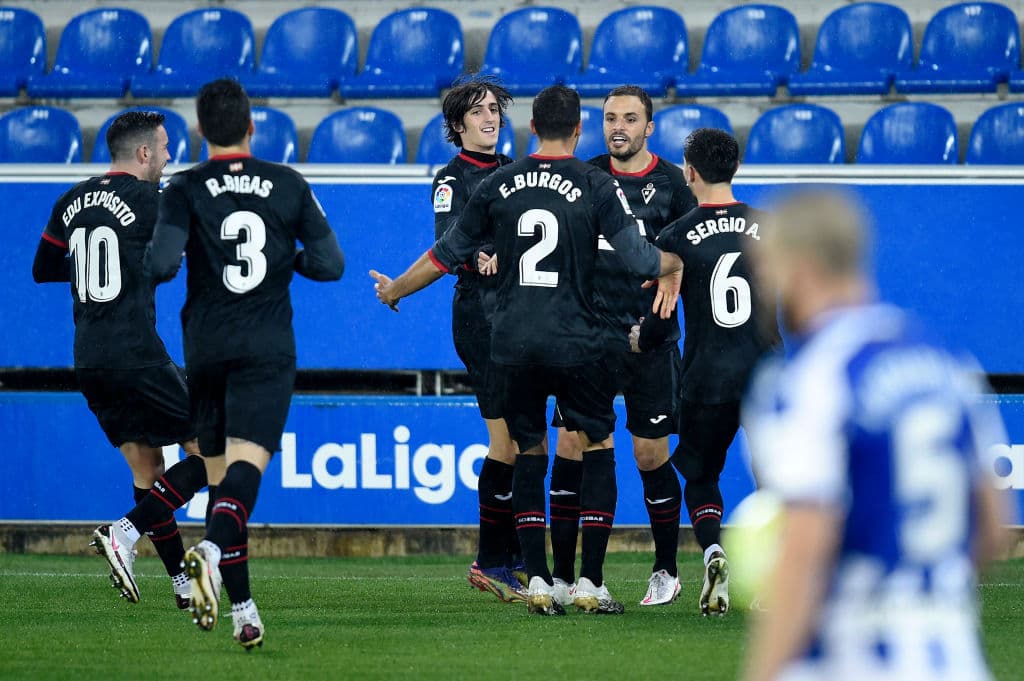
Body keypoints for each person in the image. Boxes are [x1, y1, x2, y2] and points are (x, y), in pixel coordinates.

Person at [371, 85, 683, 616]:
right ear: (580, 129)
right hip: (576, 340)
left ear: (532, 128)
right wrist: (674, 264)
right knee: (598, 445)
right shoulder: (594, 181)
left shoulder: (499, 182)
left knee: (529, 453)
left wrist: (396, 288)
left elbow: (445, 254)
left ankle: (538, 581)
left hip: (512, 341)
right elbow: (636, 258)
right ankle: (589, 584)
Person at [740, 188, 1013, 681]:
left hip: (854, 660)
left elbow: (805, 546)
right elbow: (994, 523)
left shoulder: (808, 378)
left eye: (771, 269)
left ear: (800, 267)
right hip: (955, 662)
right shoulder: (946, 363)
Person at [146, 79, 345, 649]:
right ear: (252, 126)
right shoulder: (287, 183)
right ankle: (208, 550)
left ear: (201, 131)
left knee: (217, 485)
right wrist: (289, 257)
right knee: (244, 477)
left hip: (204, 348)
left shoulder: (183, 187)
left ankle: (244, 612)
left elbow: (160, 265)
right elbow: (331, 264)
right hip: (264, 347)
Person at [31, 110, 209, 609]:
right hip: (136, 352)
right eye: (166, 147)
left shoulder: (71, 200)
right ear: (146, 153)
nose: (170, 156)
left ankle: (182, 585)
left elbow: (43, 268)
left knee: (147, 469)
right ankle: (125, 532)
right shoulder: (151, 200)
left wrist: (99, 264)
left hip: (89, 357)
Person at [547, 85, 696, 608]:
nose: (619, 127)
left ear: (648, 128)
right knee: (571, 445)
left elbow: (693, 254)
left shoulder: (674, 185)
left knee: (649, 453)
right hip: (591, 339)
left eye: (630, 118)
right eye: (611, 117)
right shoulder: (585, 178)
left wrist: (672, 280)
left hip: (650, 340)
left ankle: (666, 569)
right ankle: (569, 577)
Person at [654, 128, 781, 616]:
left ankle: (714, 552)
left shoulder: (676, 236)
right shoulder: (772, 228)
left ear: (689, 172)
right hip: (767, 372)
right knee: (775, 481)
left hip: (707, 375)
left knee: (703, 477)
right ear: (736, 168)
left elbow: (660, 307)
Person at [430, 75, 525, 603]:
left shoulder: (515, 171)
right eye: (479, 111)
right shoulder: (451, 179)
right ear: (457, 125)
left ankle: (511, 557)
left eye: (495, 109)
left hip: (518, 315)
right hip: (479, 316)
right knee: (505, 442)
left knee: (522, 441)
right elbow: (446, 242)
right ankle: (493, 559)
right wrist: (477, 255)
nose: (491, 118)